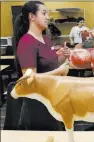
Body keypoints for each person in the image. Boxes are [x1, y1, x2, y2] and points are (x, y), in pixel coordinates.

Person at [12, 1, 69, 131]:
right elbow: (29, 79)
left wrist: (63, 57)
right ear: (32, 16)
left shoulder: (46, 39)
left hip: (51, 99)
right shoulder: (26, 42)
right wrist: (59, 71)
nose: (48, 17)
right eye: (44, 13)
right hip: (37, 106)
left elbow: (51, 64)